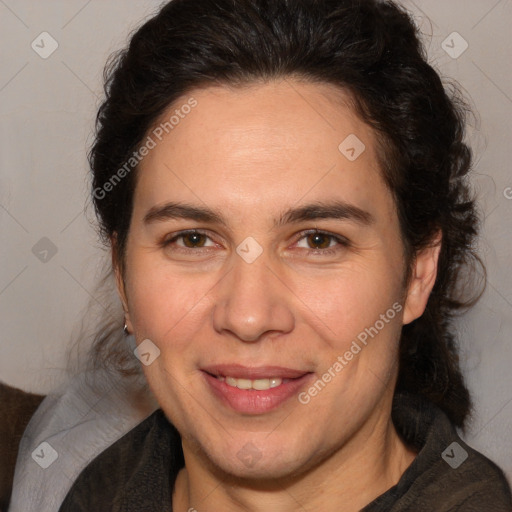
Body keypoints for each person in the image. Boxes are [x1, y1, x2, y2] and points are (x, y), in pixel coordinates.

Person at [46, 0, 512, 510]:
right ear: (122, 276)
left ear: (418, 273)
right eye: (193, 239)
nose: (248, 316)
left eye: (318, 240)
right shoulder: (89, 492)